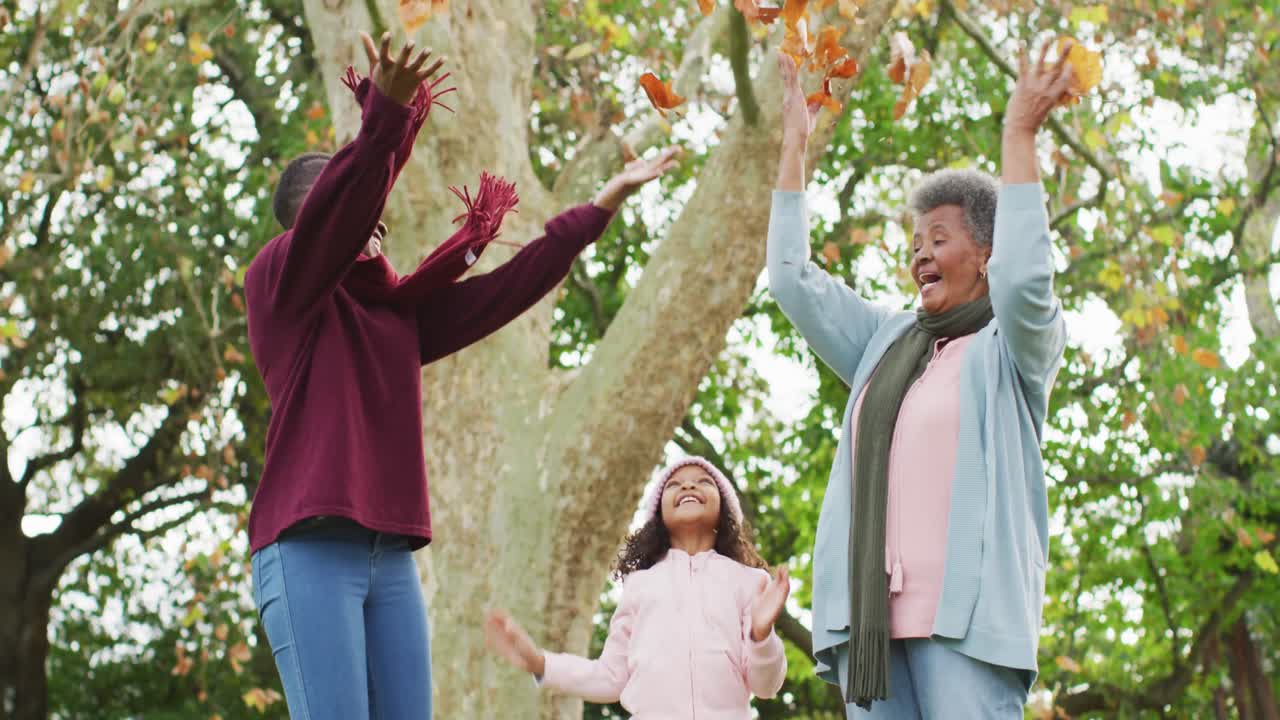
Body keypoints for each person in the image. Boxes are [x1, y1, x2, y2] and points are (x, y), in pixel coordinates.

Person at [244, 30, 680, 720]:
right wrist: (383, 119)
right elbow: (341, 208)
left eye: (379, 222)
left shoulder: (396, 319)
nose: (376, 230)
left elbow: (503, 292)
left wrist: (597, 211)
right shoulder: (283, 283)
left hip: (389, 558)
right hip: (306, 545)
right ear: (314, 222)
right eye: (357, 215)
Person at [768, 40, 1074, 718]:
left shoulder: (1013, 346)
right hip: (870, 634)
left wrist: (1019, 134)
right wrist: (793, 147)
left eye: (939, 238)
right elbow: (792, 281)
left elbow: (1026, 280)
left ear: (985, 253)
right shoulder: (885, 342)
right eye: (915, 244)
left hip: (966, 630)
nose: (920, 255)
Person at [483, 457, 790, 719]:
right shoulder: (640, 586)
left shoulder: (749, 582)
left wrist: (761, 637)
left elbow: (767, 686)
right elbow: (610, 677)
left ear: (725, 511)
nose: (688, 486)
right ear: (658, 517)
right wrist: (541, 663)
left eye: (703, 481)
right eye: (674, 484)